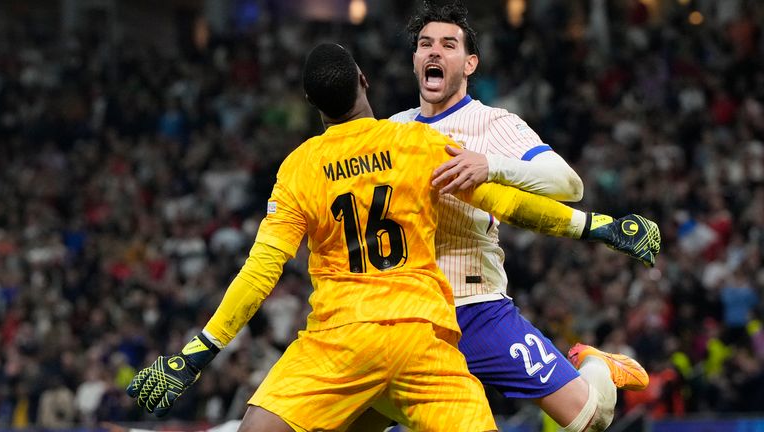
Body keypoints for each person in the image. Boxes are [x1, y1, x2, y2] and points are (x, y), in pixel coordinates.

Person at [125, 43, 659, 431]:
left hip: (346, 342)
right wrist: (599, 226)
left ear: (313, 104)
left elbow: (260, 272)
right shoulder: (414, 142)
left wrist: (195, 353)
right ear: (364, 79)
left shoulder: (299, 168)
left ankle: (594, 367)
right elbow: (506, 203)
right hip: (421, 334)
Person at [360, 2, 652, 431]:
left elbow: (569, 184)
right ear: (415, 61)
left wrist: (491, 165)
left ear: (470, 63)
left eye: (448, 44)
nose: (434, 52)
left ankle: (597, 367)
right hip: (406, 316)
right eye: (425, 45)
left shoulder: (493, 123)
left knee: (589, 419)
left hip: (475, 308)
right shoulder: (391, 130)